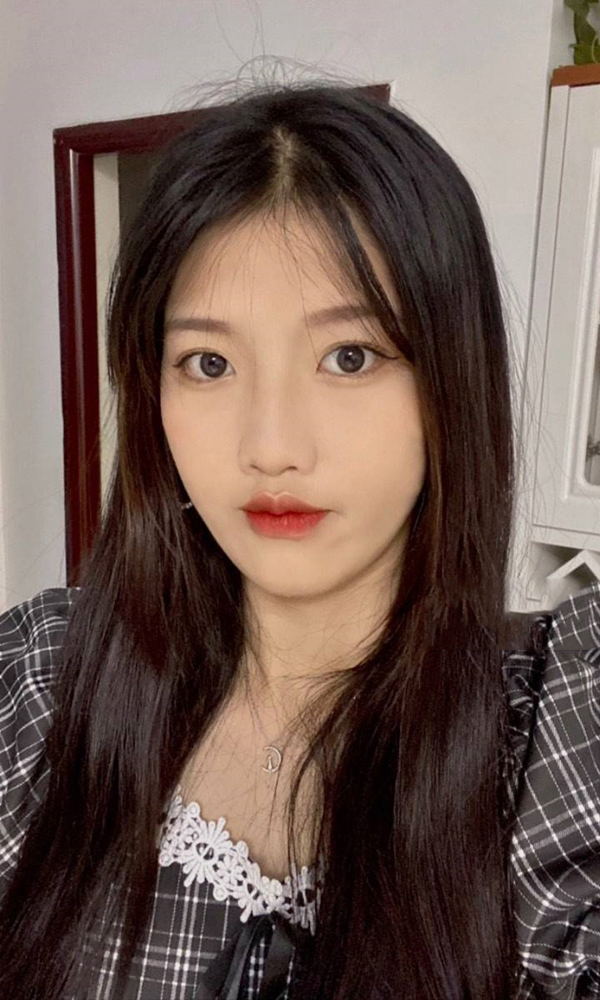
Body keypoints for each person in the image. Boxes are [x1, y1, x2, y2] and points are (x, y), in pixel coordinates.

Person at [0, 79, 599, 1000]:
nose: (271, 446)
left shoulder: (554, 742)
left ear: (450, 378)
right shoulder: (43, 682)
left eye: (348, 357)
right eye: (208, 363)